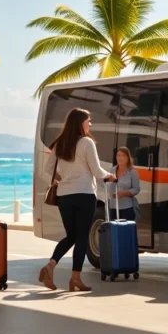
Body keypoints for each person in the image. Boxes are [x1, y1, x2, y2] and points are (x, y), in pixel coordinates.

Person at [38, 108, 115, 292]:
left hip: (64, 196)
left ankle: (51, 265)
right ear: (80, 122)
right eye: (88, 120)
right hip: (84, 195)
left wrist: (64, 179)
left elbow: (48, 168)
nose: (90, 124)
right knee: (81, 238)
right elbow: (97, 171)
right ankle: (75, 279)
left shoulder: (60, 143)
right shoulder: (87, 142)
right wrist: (110, 176)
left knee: (71, 235)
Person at [108, 147, 141, 221]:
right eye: (118, 155)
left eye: (123, 155)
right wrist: (109, 181)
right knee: (115, 231)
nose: (120, 158)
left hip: (127, 208)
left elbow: (137, 189)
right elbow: (106, 185)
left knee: (125, 232)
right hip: (113, 207)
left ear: (127, 158)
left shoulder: (132, 172)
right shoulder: (112, 170)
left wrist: (124, 193)